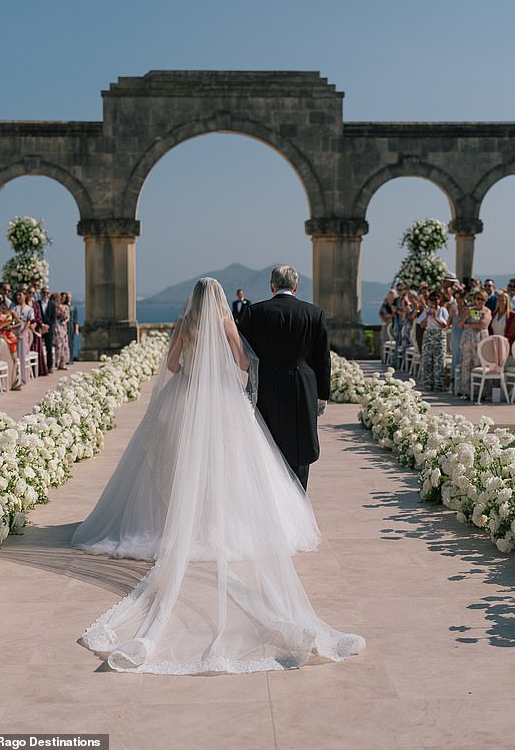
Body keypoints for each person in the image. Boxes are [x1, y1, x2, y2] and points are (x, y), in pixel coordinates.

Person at [74, 277, 365, 674]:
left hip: (184, 396)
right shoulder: (228, 323)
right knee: (229, 465)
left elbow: (173, 365)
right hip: (220, 400)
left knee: (177, 462)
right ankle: (217, 521)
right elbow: (244, 363)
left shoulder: (183, 324)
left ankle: (179, 520)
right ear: (220, 299)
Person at [238, 265, 330, 491]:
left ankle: (271, 501)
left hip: (265, 384)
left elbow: (242, 352)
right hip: (303, 386)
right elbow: (323, 359)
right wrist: (322, 395)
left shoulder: (254, 312)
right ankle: (299, 499)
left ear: (272, 286)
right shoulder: (313, 313)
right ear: (296, 287)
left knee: (267, 443)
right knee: (300, 447)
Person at [456, 290, 492, 398]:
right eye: (477, 299)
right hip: (468, 341)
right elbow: (460, 324)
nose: (479, 301)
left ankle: (480, 391)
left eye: (482, 299)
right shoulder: (471, 310)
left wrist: (469, 325)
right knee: (467, 364)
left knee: (479, 363)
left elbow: (482, 324)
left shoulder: (487, 311)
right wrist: (467, 316)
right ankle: (466, 391)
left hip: (480, 339)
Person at [417, 290, 449, 390]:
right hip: (428, 334)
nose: (434, 302)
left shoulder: (443, 310)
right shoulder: (426, 310)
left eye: (436, 299)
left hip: (439, 334)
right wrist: (427, 316)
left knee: (439, 360)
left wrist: (435, 317)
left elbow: (445, 325)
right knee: (427, 359)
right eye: (431, 300)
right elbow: (421, 325)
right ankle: (428, 382)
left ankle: (439, 383)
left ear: (440, 300)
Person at [52, 292, 70, 370]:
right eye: (62, 297)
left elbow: (67, 317)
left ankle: (63, 363)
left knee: (64, 346)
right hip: (57, 326)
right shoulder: (56, 306)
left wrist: (65, 321)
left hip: (63, 327)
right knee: (58, 345)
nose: (63, 298)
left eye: (64, 297)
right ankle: (56, 362)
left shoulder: (66, 307)